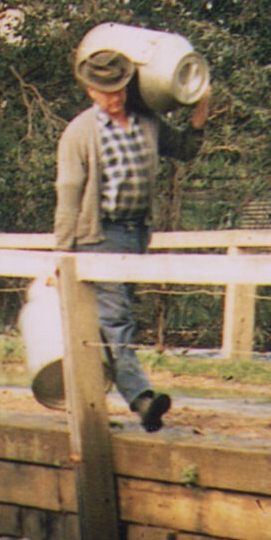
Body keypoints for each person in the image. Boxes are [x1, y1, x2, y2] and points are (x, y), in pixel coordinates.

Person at [53, 47, 210, 431]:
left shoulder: (146, 122)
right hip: (98, 236)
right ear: (90, 90)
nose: (114, 96)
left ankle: (87, 404)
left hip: (136, 234)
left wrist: (201, 105)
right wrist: (61, 253)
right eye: (105, 90)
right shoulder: (78, 133)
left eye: (120, 87)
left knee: (104, 324)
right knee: (115, 319)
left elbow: (186, 149)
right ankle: (142, 400)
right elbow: (69, 194)